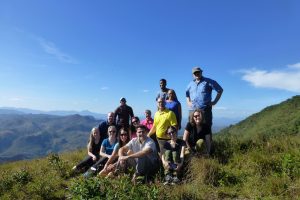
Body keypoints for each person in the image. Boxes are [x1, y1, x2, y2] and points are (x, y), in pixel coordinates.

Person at [186, 66, 223, 137]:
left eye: (198, 72)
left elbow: (220, 90)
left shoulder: (208, 81)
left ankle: (208, 147)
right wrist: (188, 102)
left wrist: (214, 102)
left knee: (207, 129)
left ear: (201, 72)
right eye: (195, 73)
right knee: (192, 129)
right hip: (192, 110)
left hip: (205, 110)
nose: (197, 74)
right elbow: (187, 94)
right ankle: (193, 147)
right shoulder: (190, 84)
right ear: (193, 75)